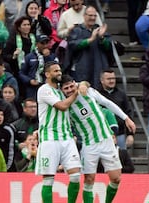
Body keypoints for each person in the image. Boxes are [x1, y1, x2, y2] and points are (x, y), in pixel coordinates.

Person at [60, 74, 136, 203]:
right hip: (89, 145)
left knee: (116, 178)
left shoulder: (87, 91)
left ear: (75, 83)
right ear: (62, 90)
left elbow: (107, 103)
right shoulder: (63, 103)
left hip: (107, 141)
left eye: (71, 86)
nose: (70, 90)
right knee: (89, 179)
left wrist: (126, 118)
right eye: (66, 88)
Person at [35, 61, 82, 203]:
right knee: (48, 179)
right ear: (47, 74)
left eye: (60, 70)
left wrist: (83, 85)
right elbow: (62, 106)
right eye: (55, 71)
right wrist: (76, 93)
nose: (59, 73)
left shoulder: (61, 91)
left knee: (75, 176)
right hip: (50, 138)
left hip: (67, 138)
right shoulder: (44, 89)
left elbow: (83, 84)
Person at [65, 6, 110, 89]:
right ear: (84, 16)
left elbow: (109, 47)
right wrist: (90, 39)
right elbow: (73, 45)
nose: (92, 18)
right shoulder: (77, 30)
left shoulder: (100, 30)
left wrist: (101, 37)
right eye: (90, 15)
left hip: (98, 66)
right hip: (81, 67)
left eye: (94, 16)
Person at [98, 69, 134, 150]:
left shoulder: (121, 94)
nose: (112, 81)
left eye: (113, 78)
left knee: (121, 159)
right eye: (109, 79)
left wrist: (130, 134)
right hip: (102, 135)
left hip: (119, 134)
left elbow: (128, 112)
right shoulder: (97, 95)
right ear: (102, 80)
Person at [19, 34, 58, 99]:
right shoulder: (29, 56)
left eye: (47, 43)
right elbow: (21, 73)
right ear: (37, 44)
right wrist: (29, 80)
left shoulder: (53, 56)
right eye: (42, 43)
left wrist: (47, 57)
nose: (45, 45)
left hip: (48, 86)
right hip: (33, 87)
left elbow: (55, 70)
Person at [0, 105, 16, 172]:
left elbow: (11, 151)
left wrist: (7, 168)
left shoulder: (8, 130)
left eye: (1, 115)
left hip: (4, 167)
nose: (0, 117)